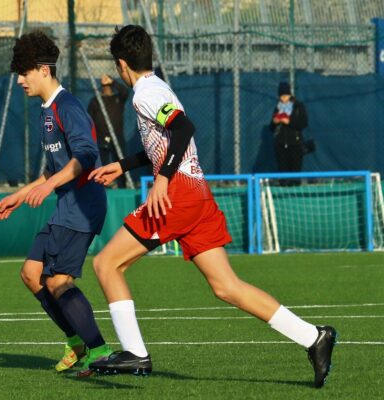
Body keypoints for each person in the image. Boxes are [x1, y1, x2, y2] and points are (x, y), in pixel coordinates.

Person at [87, 25, 337, 388]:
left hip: (178, 194)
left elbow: (184, 129)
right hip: (197, 193)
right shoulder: (158, 87)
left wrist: (161, 180)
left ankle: (135, 353)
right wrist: (124, 165)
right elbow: (167, 139)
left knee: (105, 263)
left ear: (121, 65)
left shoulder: (143, 94)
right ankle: (315, 337)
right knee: (226, 286)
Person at [0, 31, 112, 377]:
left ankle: (99, 351)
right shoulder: (47, 112)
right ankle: (76, 343)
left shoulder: (68, 107)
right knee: (31, 274)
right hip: (66, 206)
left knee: (59, 282)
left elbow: (86, 157)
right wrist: (19, 196)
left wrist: (50, 189)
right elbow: (53, 171)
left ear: (44, 70)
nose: (19, 80)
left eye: (24, 72)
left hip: (82, 207)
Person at [87, 74, 129, 188]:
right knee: (101, 164)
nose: (106, 88)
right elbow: (89, 118)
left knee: (120, 162)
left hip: (117, 137)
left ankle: (122, 186)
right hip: (101, 138)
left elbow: (125, 91)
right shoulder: (96, 100)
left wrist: (113, 81)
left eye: (108, 85)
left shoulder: (118, 98)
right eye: (104, 86)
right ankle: (101, 187)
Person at [270, 82, 308, 185]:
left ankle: (294, 189)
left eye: (286, 96)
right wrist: (275, 122)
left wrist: (289, 122)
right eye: (281, 96)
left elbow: (303, 123)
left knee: (295, 172)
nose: (283, 99)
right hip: (281, 143)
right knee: (283, 172)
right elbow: (272, 128)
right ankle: (283, 187)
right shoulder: (278, 107)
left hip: (295, 143)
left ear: (290, 95)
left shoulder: (298, 106)